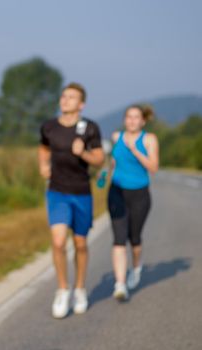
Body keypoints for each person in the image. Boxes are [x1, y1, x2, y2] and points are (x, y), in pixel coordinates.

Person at [39, 82, 104, 319]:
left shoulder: (90, 128)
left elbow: (99, 159)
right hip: (57, 192)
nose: (65, 100)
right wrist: (43, 166)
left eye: (71, 97)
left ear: (81, 104)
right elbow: (44, 149)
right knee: (58, 242)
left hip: (82, 193)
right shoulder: (49, 127)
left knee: (80, 244)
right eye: (63, 96)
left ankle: (80, 289)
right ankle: (62, 290)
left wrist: (83, 153)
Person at [108, 104, 159, 301]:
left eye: (136, 117)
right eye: (128, 117)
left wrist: (135, 150)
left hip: (140, 194)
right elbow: (114, 161)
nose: (131, 120)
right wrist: (106, 172)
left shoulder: (148, 139)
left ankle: (136, 267)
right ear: (124, 120)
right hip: (117, 192)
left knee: (134, 237)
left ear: (142, 121)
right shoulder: (116, 137)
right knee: (119, 238)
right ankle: (120, 284)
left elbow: (153, 167)